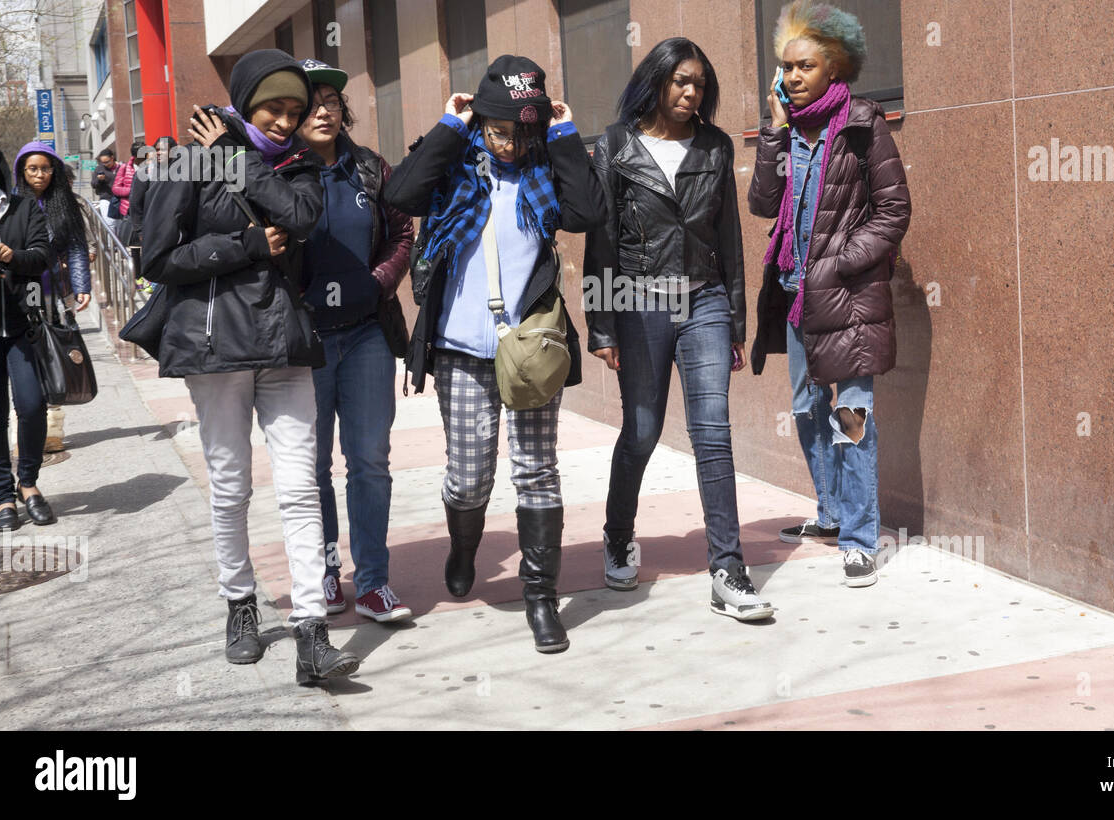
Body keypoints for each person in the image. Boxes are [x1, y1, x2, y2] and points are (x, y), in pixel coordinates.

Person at [140, 48, 360, 686]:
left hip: (285, 342)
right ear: (244, 101)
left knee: (298, 486)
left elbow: (300, 217)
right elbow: (156, 258)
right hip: (217, 347)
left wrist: (240, 160)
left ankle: (312, 630)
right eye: (274, 108)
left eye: (296, 110)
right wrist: (242, 246)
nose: (288, 121)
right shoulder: (189, 160)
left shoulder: (296, 165)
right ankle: (239, 603)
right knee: (231, 485)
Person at [384, 54, 602, 653]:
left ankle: (540, 596)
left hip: (530, 349)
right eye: (498, 129)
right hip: (460, 349)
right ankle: (463, 547)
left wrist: (561, 135)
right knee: (470, 474)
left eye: (521, 131)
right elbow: (400, 193)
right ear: (480, 122)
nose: (508, 144)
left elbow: (588, 212)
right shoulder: (455, 168)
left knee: (536, 470)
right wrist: (450, 128)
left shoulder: (545, 170)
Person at [582, 37, 769, 621]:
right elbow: (601, 241)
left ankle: (728, 568)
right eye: (681, 82)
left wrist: (737, 318)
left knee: (713, 431)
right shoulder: (615, 145)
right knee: (641, 431)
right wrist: (602, 325)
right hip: (637, 302)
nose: (691, 93)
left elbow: (730, 239)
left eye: (700, 85)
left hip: (706, 300)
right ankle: (617, 536)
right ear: (657, 81)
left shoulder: (713, 146)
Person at [748, 0, 911, 587]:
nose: (791, 77)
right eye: (785, 67)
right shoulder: (788, 132)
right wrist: (773, 133)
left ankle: (860, 539)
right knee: (805, 408)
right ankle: (832, 512)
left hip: (848, 298)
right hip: (794, 293)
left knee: (852, 414)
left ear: (833, 69)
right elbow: (763, 204)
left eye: (804, 66)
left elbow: (894, 210)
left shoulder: (864, 124)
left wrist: (842, 262)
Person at [295, 59, 415, 623]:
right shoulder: (278, 172)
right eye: (312, 101)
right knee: (311, 467)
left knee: (369, 460)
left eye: (333, 101)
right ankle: (323, 571)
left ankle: (372, 582)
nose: (324, 110)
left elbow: (400, 233)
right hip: (306, 343)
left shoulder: (369, 169)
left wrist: (379, 282)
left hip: (366, 335)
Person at [0, 142, 51, 532]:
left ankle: (29, 484)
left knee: (31, 406)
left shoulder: (23, 207)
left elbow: (42, 254)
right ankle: (4, 498)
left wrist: (13, 258)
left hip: (23, 322)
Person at [12, 141, 93, 455]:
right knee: (27, 357)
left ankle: (53, 429)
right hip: (24, 290)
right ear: (21, 170)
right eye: (33, 168)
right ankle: (27, 428)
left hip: (54, 292)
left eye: (45, 168)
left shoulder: (63, 203)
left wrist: (81, 285)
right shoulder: (12, 204)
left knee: (55, 354)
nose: (39, 175)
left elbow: (75, 248)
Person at [128, 135, 176, 286]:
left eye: (164, 150)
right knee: (157, 271)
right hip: (152, 229)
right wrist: (140, 231)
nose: (160, 153)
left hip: (175, 229)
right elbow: (135, 204)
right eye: (157, 150)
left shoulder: (182, 171)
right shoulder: (145, 172)